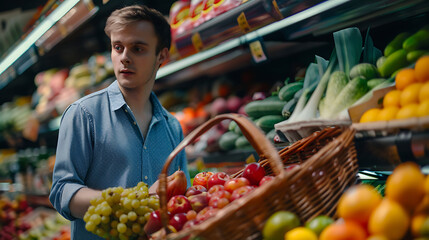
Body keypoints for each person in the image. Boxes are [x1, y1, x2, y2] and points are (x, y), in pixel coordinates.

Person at [49, 5, 190, 239]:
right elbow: (63, 192)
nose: (125, 57)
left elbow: (180, 198)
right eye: (118, 47)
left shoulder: (172, 127)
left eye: (137, 48)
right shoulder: (83, 114)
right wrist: (131, 200)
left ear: (162, 56)